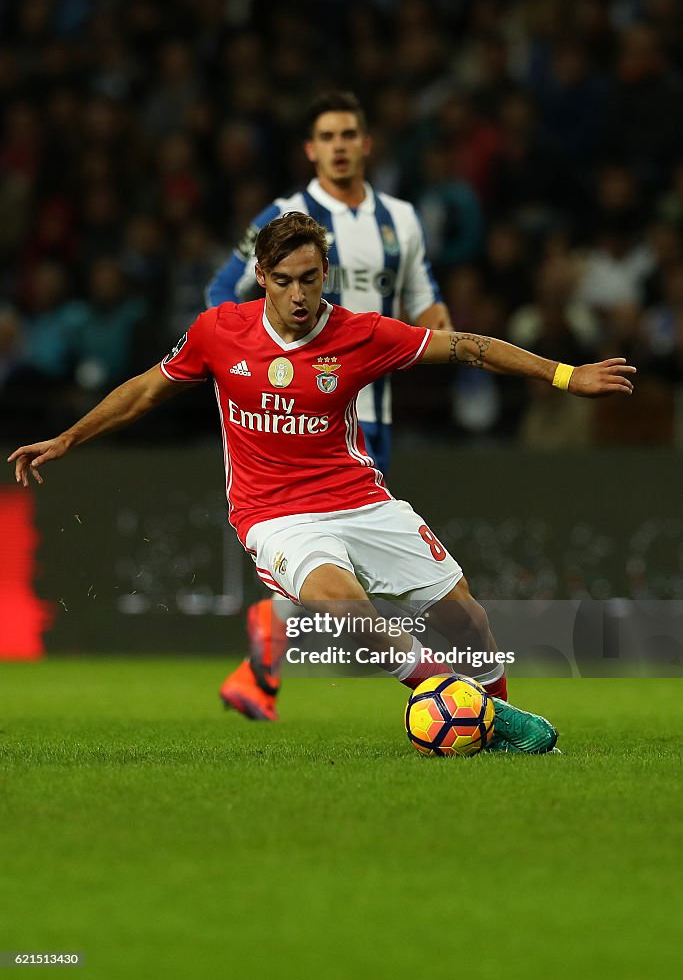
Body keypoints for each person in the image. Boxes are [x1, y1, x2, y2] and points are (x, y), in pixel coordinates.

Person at [9, 212, 637, 754]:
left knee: (466, 622)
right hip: (274, 515)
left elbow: (468, 346)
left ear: (325, 274)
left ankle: (491, 713)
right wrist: (68, 437)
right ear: (262, 277)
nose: (298, 295)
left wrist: (565, 375)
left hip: (360, 500)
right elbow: (146, 390)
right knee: (343, 607)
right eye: (283, 281)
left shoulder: (360, 335)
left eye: (310, 279)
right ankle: (460, 703)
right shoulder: (218, 332)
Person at [206, 91, 451, 720]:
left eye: (350, 134)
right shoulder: (284, 217)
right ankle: (441, 690)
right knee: (337, 565)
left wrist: (443, 343)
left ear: (367, 144)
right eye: (327, 136)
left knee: (345, 562)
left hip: (374, 407)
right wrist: (243, 369)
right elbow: (220, 290)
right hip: (300, 411)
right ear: (310, 149)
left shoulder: (401, 219)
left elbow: (425, 302)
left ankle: (269, 638)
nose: (340, 146)